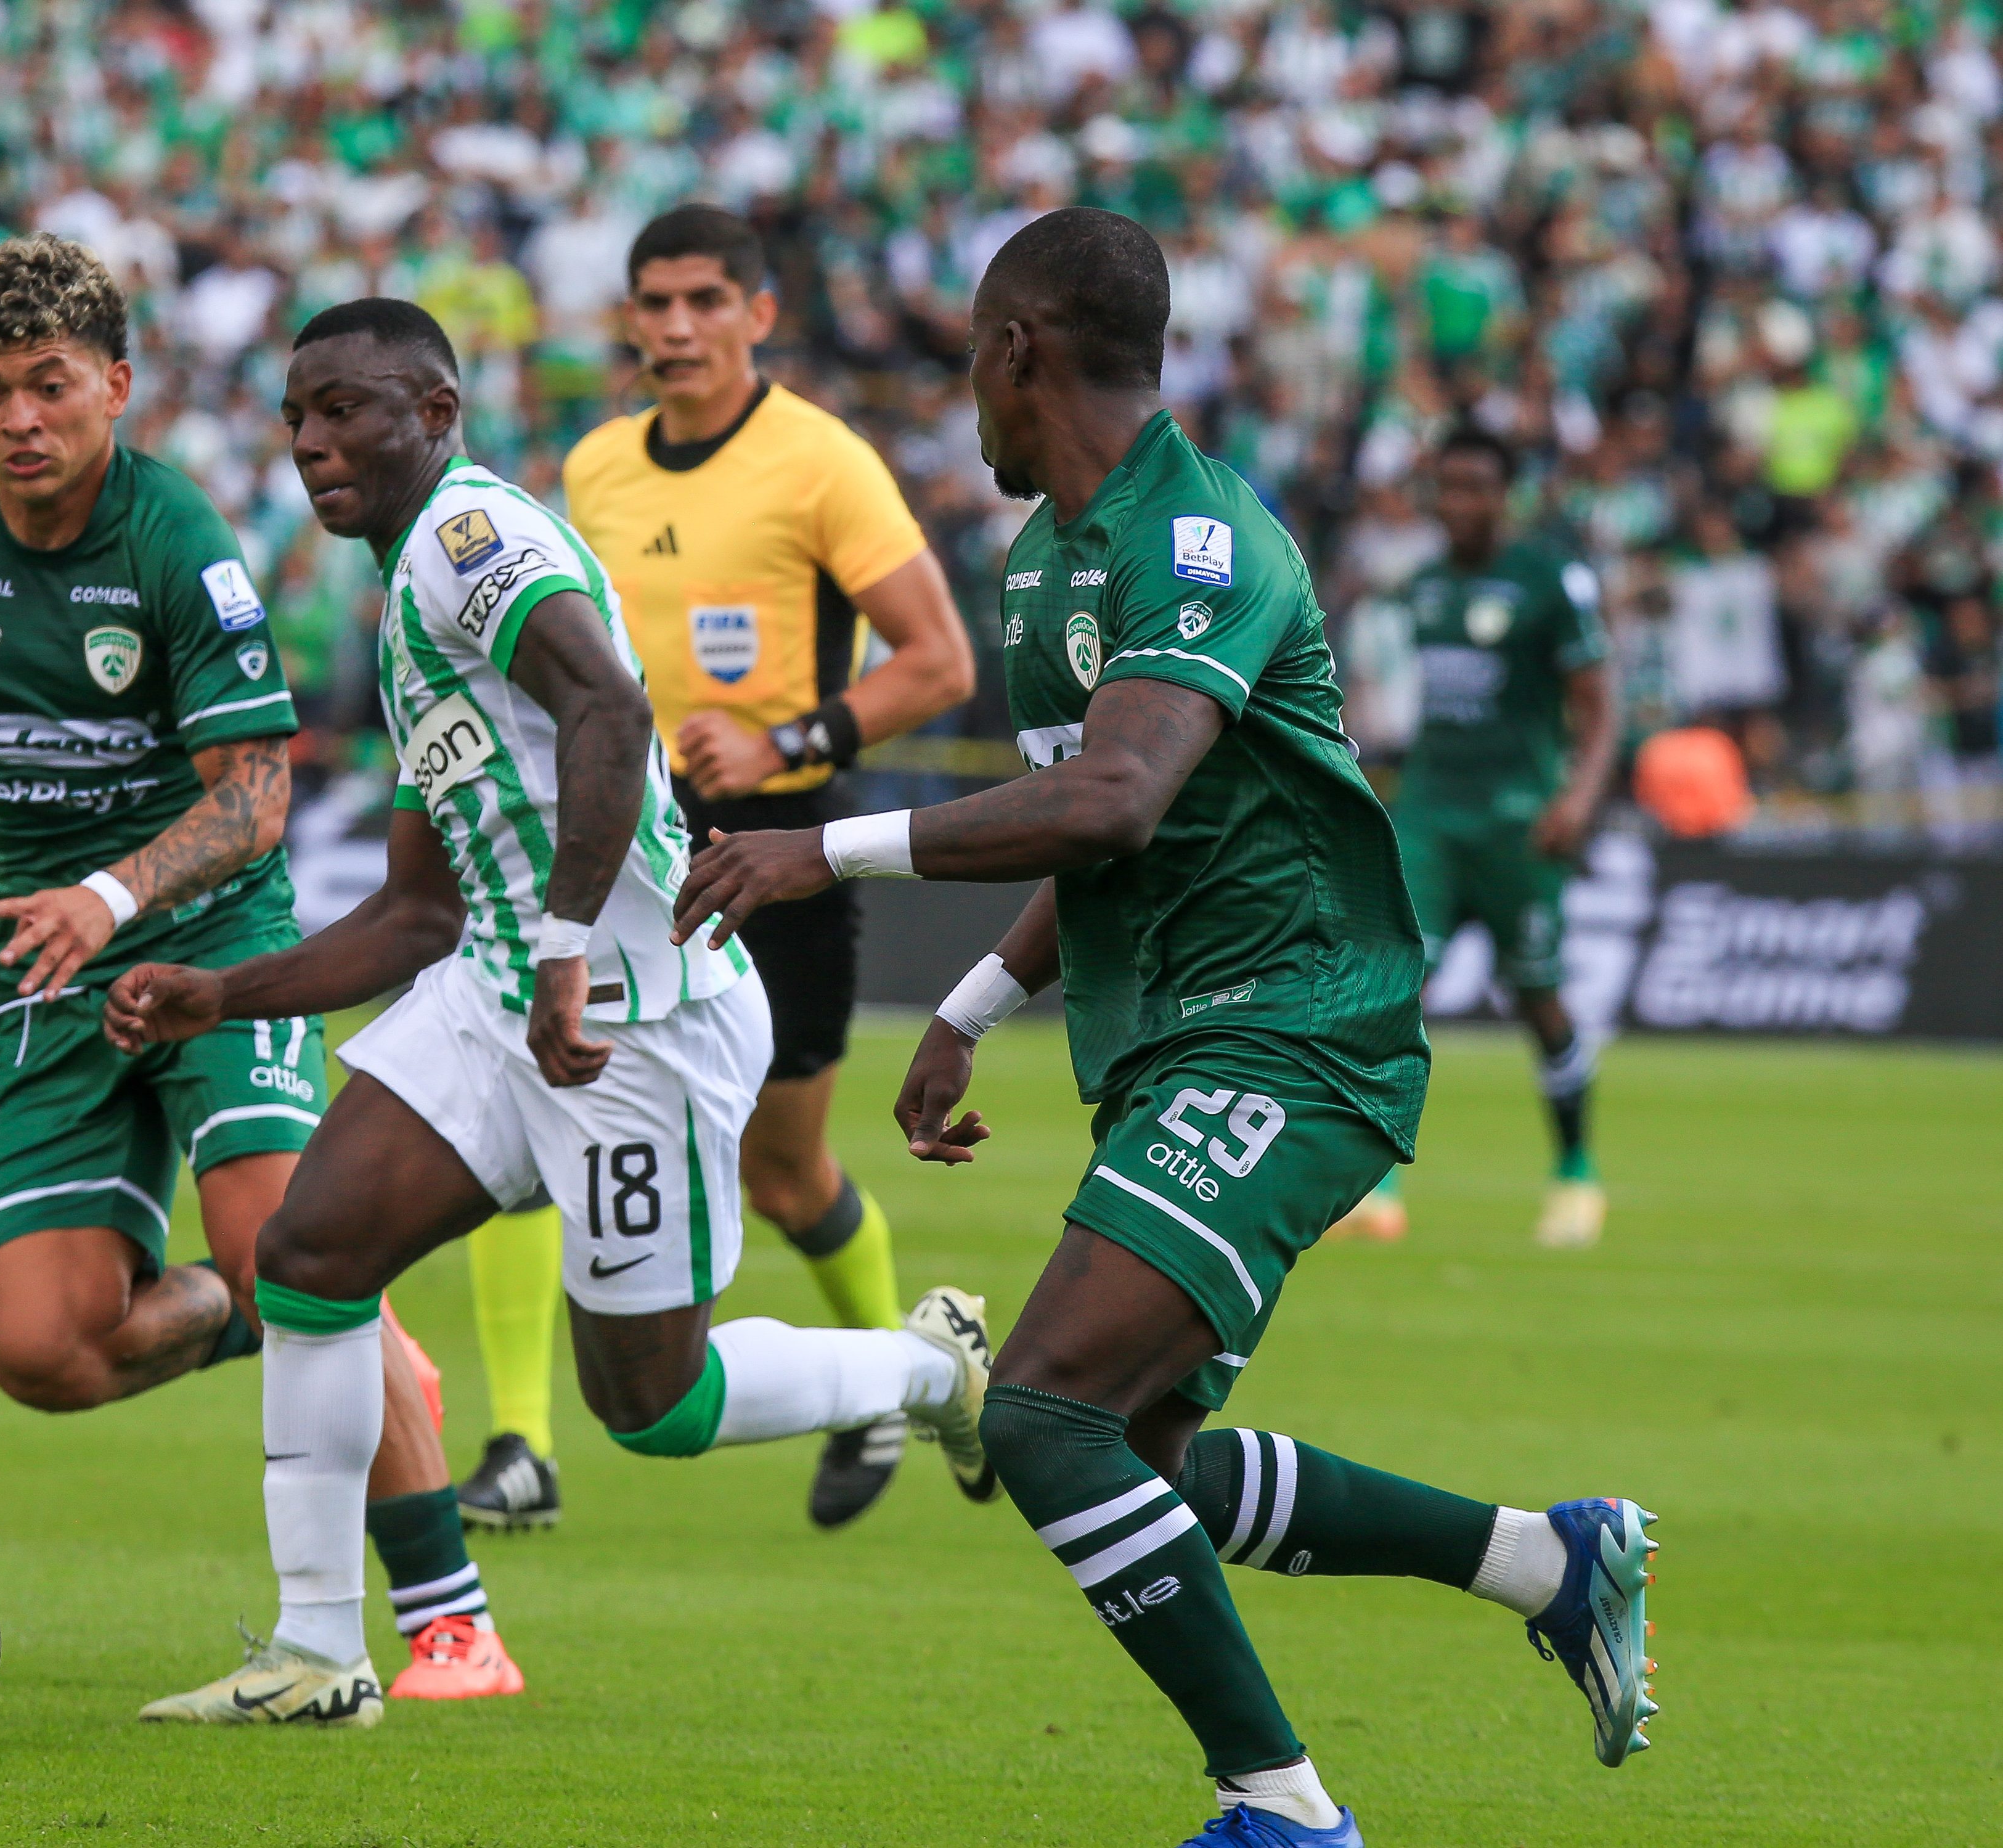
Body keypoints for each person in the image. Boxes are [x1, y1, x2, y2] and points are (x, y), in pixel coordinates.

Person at [672, 209, 1657, 1848]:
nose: (964, 406)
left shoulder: (1197, 536)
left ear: (1018, 351)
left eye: (969, 366)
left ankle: (1282, 1808)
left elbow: (1118, 795)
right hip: (1169, 1036)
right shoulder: (1046, 553)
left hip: (1291, 1029)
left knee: (1041, 1409)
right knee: (1134, 1456)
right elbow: (1094, 812)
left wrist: (806, 841)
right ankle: (1549, 1561)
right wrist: (979, 1001)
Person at [105, 298, 996, 1729]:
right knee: (309, 1256)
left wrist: (571, 944)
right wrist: (220, 990)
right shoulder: (406, 593)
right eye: (297, 416)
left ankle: (925, 1364)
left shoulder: (471, 541)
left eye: (348, 408)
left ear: (437, 411)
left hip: (631, 1020)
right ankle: (319, 1650)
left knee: (656, 1407)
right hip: (502, 997)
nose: (313, 442)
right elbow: (417, 913)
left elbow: (609, 708)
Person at [0, 234, 516, 1715]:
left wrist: (113, 889)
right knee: (41, 1349)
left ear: (116, 387)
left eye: (51, 387)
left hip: (213, 947)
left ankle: (450, 1621)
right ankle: (270, 1311)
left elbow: (257, 795)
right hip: (39, 979)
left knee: (295, 1238)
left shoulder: (179, 539)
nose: (20, 420)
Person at [455, 203, 979, 1534]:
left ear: (757, 313)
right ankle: (521, 1440)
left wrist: (786, 739)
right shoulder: (593, 468)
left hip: (778, 854)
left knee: (786, 1170)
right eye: (654, 301)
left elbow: (940, 660)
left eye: (704, 300)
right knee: (523, 1111)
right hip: (621, 849)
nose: (675, 326)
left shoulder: (823, 461)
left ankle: (900, 1383)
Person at [1330, 427, 1619, 1248]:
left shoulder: (1548, 581)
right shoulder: (1422, 588)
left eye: (1476, 488)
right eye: (1448, 488)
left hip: (1520, 821)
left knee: (1539, 998)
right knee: (1395, 988)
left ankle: (1575, 1174)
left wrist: (1578, 798)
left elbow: (1600, 704)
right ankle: (1377, 1186)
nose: (1460, 504)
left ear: (1506, 495)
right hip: (1428, 814)